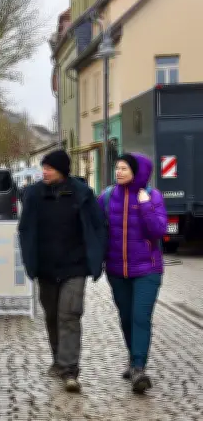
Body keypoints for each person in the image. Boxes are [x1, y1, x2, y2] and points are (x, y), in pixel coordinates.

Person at [18, 150, 107, 392]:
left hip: (74, 267)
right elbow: (25, 229)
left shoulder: (82, 193)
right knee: (52, 316)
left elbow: (97, 226)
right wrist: (30, 261)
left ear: (62, 170)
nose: (44, 172)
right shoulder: (34, 194)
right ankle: (58, 358)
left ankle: (70, 370)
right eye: (43, 167)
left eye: (49, 168)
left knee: (70, 314)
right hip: (46, 268)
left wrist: (96, 257)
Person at [99, 153, 166, 394]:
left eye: (124, 168)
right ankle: (132, 357)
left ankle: (139, 367)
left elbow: (158, 230)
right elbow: (94, 225)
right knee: (126, 318)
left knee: (140, 317)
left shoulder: (153, 196)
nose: (118, 172)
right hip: (117, 271)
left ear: (137, 172)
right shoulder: (107, 197)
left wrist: (146, 204)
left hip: (147, 269)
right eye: (117, 168)